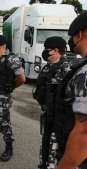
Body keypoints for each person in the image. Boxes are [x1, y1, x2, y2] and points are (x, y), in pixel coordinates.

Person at [54, 11, 87, 169]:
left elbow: (84, 133)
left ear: (79, 35)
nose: (70, 42)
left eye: (71, 37)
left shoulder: (85, 72)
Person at [32, 36, 70, 169]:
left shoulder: (67, 69)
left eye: (46, 49)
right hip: (48, 116)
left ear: (55, 50)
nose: (44, 52)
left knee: (56, 155)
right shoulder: (47, 67)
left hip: (60, 120)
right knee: (46, 147)